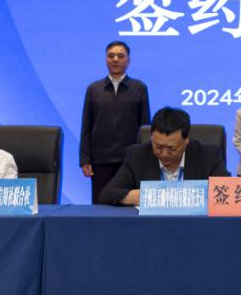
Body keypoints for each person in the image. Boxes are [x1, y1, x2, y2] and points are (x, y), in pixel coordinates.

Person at [99, 106, 229, 205]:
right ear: (151, 138)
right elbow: (108, 194)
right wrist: (150, 196)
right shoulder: (137, 155)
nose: (164, 154)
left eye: (172, 148)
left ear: (186, 140)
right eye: (158, 147)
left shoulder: (209, 155)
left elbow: (227, 193)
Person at [80, 40, 151, 204]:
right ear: (106, 60)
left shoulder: (139, 88)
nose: (115, 59)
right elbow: (86, 127)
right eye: (111, 56)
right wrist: (85, 159)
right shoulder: (94, 89)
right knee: (100, 204)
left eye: (120, 56)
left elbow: (145, 128)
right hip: (100, 160)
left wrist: (145, 159)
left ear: (128, 61)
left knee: (129, 204)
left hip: (130, 160)